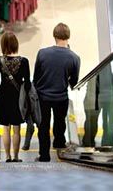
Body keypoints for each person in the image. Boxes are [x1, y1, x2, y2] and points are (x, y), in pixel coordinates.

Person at [34, 23, 80, 162]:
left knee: (43, 126)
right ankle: (59, 144)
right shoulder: (74, 57)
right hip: (61, 96)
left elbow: (36, 77)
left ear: (54, 36)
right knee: (60, 123)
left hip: (43, 96)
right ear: (68, 37)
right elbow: (74, 82)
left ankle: (44, 155)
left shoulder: (42, 53)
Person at [0, 32, 31, 162]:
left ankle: (7, 156)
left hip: (3, 97)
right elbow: (28, 83)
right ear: (16, 44)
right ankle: (16, 156)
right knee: (16, 129)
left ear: (3, 45)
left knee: (5, 128)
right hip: (18, 98)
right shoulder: (24, 61)